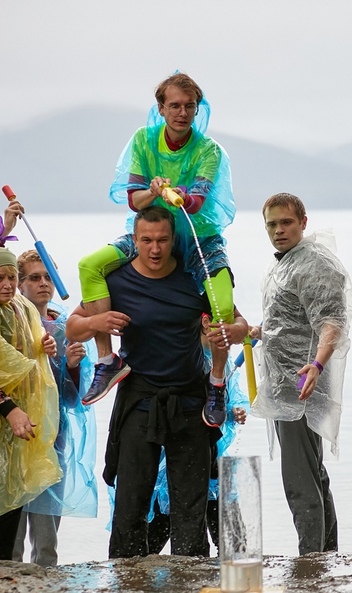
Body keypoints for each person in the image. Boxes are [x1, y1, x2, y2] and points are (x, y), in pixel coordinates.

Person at [66, 206, 249, 559]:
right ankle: (125, 579)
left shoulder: (195, 278)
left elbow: (241, 324)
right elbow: (73, 327)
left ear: (173, 240)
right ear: (134, 241)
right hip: (139, 399)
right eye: (146, 240)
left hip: (191, 401)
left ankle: (191, 582)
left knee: (190, 504)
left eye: (163, 240)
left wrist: (227, 331)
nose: (155, 249)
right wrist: (98, 321)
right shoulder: (116, 280)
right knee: (131, 501)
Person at [77, 72, 237, 429]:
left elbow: (194, 202)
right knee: (90, 265)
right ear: (161, 108)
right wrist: (153, 189)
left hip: (198, 236)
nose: (182, 113)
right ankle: (106, 360)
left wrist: (173, 191)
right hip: (150, 234)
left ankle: (217, 382)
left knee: (222, 305)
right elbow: (134, 200)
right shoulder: (143, 140)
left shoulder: (208, 151)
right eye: (175, 106)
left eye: (189, 107)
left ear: (198, 110)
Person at [250, 193, 352, 555]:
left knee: (300, 480)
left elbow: (332, 322)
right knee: (313, 474)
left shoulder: (312, 264)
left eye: (286, 223)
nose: (279, 230)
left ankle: (311, 560)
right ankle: (325, 555)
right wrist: (255, 331)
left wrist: (319, 363)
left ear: (303, 222)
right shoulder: (287, 264)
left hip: (304, 387)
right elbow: (288, 324)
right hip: (287, 386)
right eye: (272, 224)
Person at [0, 212, 63, 562]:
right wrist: (9, 409)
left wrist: (43, 346)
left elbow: (26, 346)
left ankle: (3, 574)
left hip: (21, 421)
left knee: (14, 500)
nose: (7, 284)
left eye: (11, 277)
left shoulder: (17, 307)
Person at [12, 249, 98, 567]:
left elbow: (75, 398)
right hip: (15, 436)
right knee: (12, 531)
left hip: (53, 438)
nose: (43, 283)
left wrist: (72, 365)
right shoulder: (9, 322)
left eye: (49, 276)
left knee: (47, 536)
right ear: (20, 284)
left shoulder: (64, 327)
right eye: (34, 277)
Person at [145, 313, 249, 555]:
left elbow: (229, 399)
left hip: (214, 456)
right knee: (161, 527)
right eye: (219, 323)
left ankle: (232, 568)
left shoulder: (222, 360)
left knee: (233, 541)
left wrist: (235, 412)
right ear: (205, 322)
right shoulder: (182, 357)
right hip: (175, 459)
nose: (225, 332)